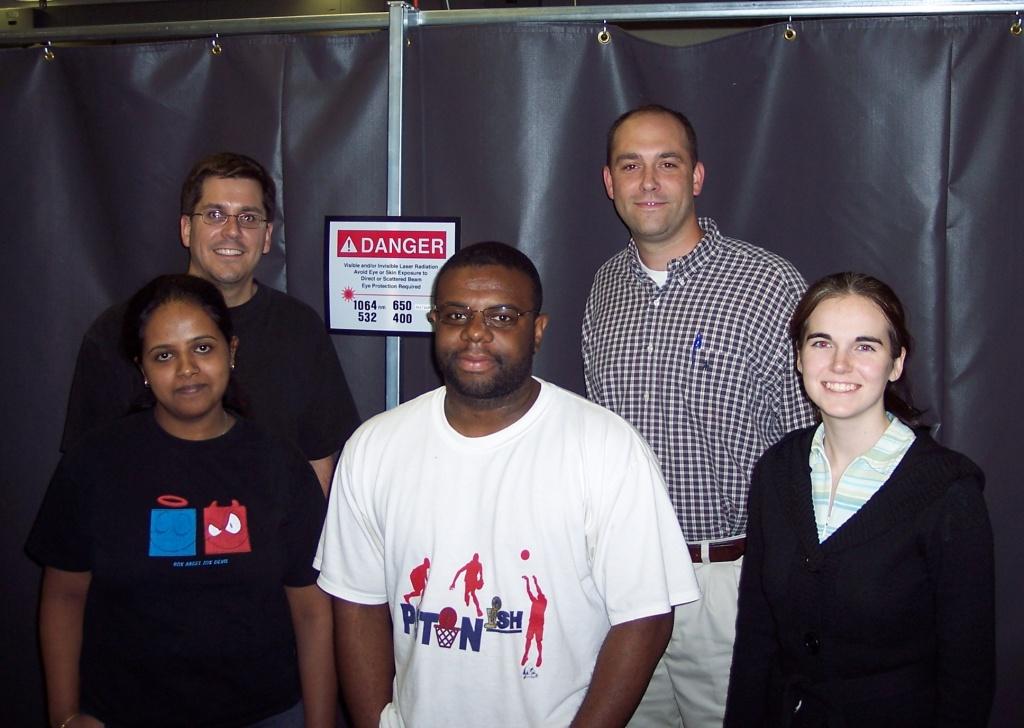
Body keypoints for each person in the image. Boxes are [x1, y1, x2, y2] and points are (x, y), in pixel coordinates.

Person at [316, 241, 700, 727]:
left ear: (537, 330)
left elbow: (645, 618)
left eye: (501, 317)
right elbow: (356, 604)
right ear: (435, 322)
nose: (475, 332)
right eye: (456, 315)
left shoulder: (605, 446)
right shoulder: (375, 447)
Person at [582, 104, 816, 726]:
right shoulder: (604, 290)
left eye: (667, 163)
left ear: (697, 176)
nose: (648, 181)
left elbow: (809, 446)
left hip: (729, 585)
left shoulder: (768, 285)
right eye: (630, 165)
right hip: (622, 585)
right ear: (609, 183)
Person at [27, 274, 336, 727]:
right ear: (142, 368)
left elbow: (311, 611)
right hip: (125, 713)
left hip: (265, 712)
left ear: (232, 350)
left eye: (203, 348)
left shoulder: (280, 463)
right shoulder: (94, 463)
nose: (187, 368)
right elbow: (64, 596)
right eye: (164, 355)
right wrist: (65, 716)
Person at [724, 272, 995, 726]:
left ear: (896, 363)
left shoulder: (949, 492)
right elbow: (756, 634)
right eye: (822, 343)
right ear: (798, 357)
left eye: (865, 347)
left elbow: (967, 671)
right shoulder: (776, 470)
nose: (840, 364)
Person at [61, 152, 359, 493]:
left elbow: (319, 462)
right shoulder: (120, 330)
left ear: (266, 236)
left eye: (248, 218)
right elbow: (88, 470)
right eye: (215, 215)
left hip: (272, 527)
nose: (232, 231)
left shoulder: (299, 329)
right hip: (155, 525)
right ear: (187, 229)